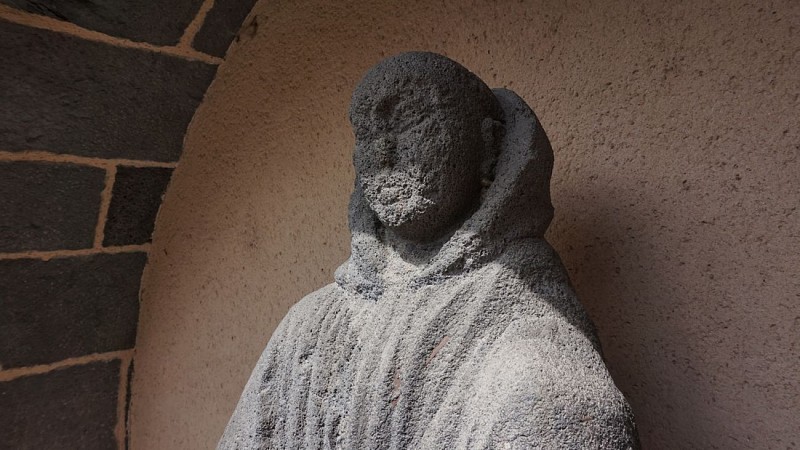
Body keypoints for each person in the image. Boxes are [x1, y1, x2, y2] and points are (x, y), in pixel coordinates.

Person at [220, 52, 639, 449]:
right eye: (366, 133)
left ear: (490, 145)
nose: (382, 152)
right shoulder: (308, 326)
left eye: (410, 120)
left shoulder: (528, 330)